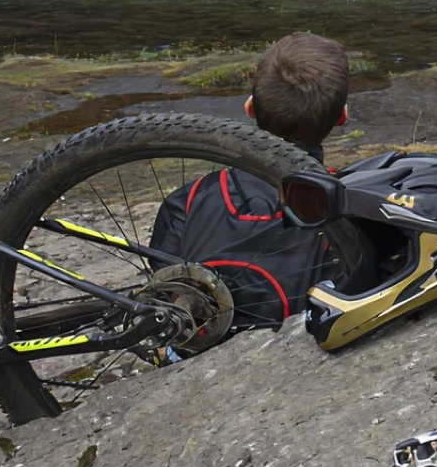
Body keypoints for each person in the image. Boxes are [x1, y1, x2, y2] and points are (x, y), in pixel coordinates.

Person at [150, 31, 352, 327]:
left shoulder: (189, 198)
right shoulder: (346, 206)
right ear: (341, 118)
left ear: (250, 109)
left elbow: (163, 282)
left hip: (196, 342)